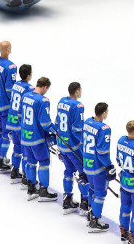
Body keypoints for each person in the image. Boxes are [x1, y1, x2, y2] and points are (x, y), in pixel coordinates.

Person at [21, 76, 57, 200]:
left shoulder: (25, 96)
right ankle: (43, 191)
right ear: (45, 87)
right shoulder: (43, 100)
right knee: (44, 162)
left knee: (30, 161)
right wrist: (56, 131)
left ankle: (31, 189)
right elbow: (45, 123)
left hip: (25, 136)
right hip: (37, 138)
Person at [83, 101, 115, 232]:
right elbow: (102, 152)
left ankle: (91, 215)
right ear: (104, 113)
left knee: (92, 189)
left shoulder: (87, 122)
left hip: (87, 163)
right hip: (97, 167)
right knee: (100, 193)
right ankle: (95, 221)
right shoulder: (104, 129)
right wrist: (109, 166)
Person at [57, 81, 89, 212]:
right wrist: (84, 145)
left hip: (62, 144)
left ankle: (67, 199)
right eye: (80, 90)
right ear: (77, 92)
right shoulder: (78, 106)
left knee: (68, 170)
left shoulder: (61, 101)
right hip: (73, 147)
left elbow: (57, 122)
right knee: (83, 174)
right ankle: (85, 203)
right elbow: (77, 130)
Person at [0, 41, 18, 172]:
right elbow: (9, 89)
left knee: (0, 131)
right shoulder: (10, 66)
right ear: (7, 50)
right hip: (4, 104)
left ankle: (1, 155)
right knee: (6, 133)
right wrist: (14, 104)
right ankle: (0, 159)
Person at [7, 63, 34, 182]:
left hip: (12, 120)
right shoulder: (29, 88)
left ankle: (14, 171)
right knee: (26, 151)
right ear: (28, 75)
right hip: (20, 122)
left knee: (17, 147)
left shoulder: (16, 84)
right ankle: (25, 176)